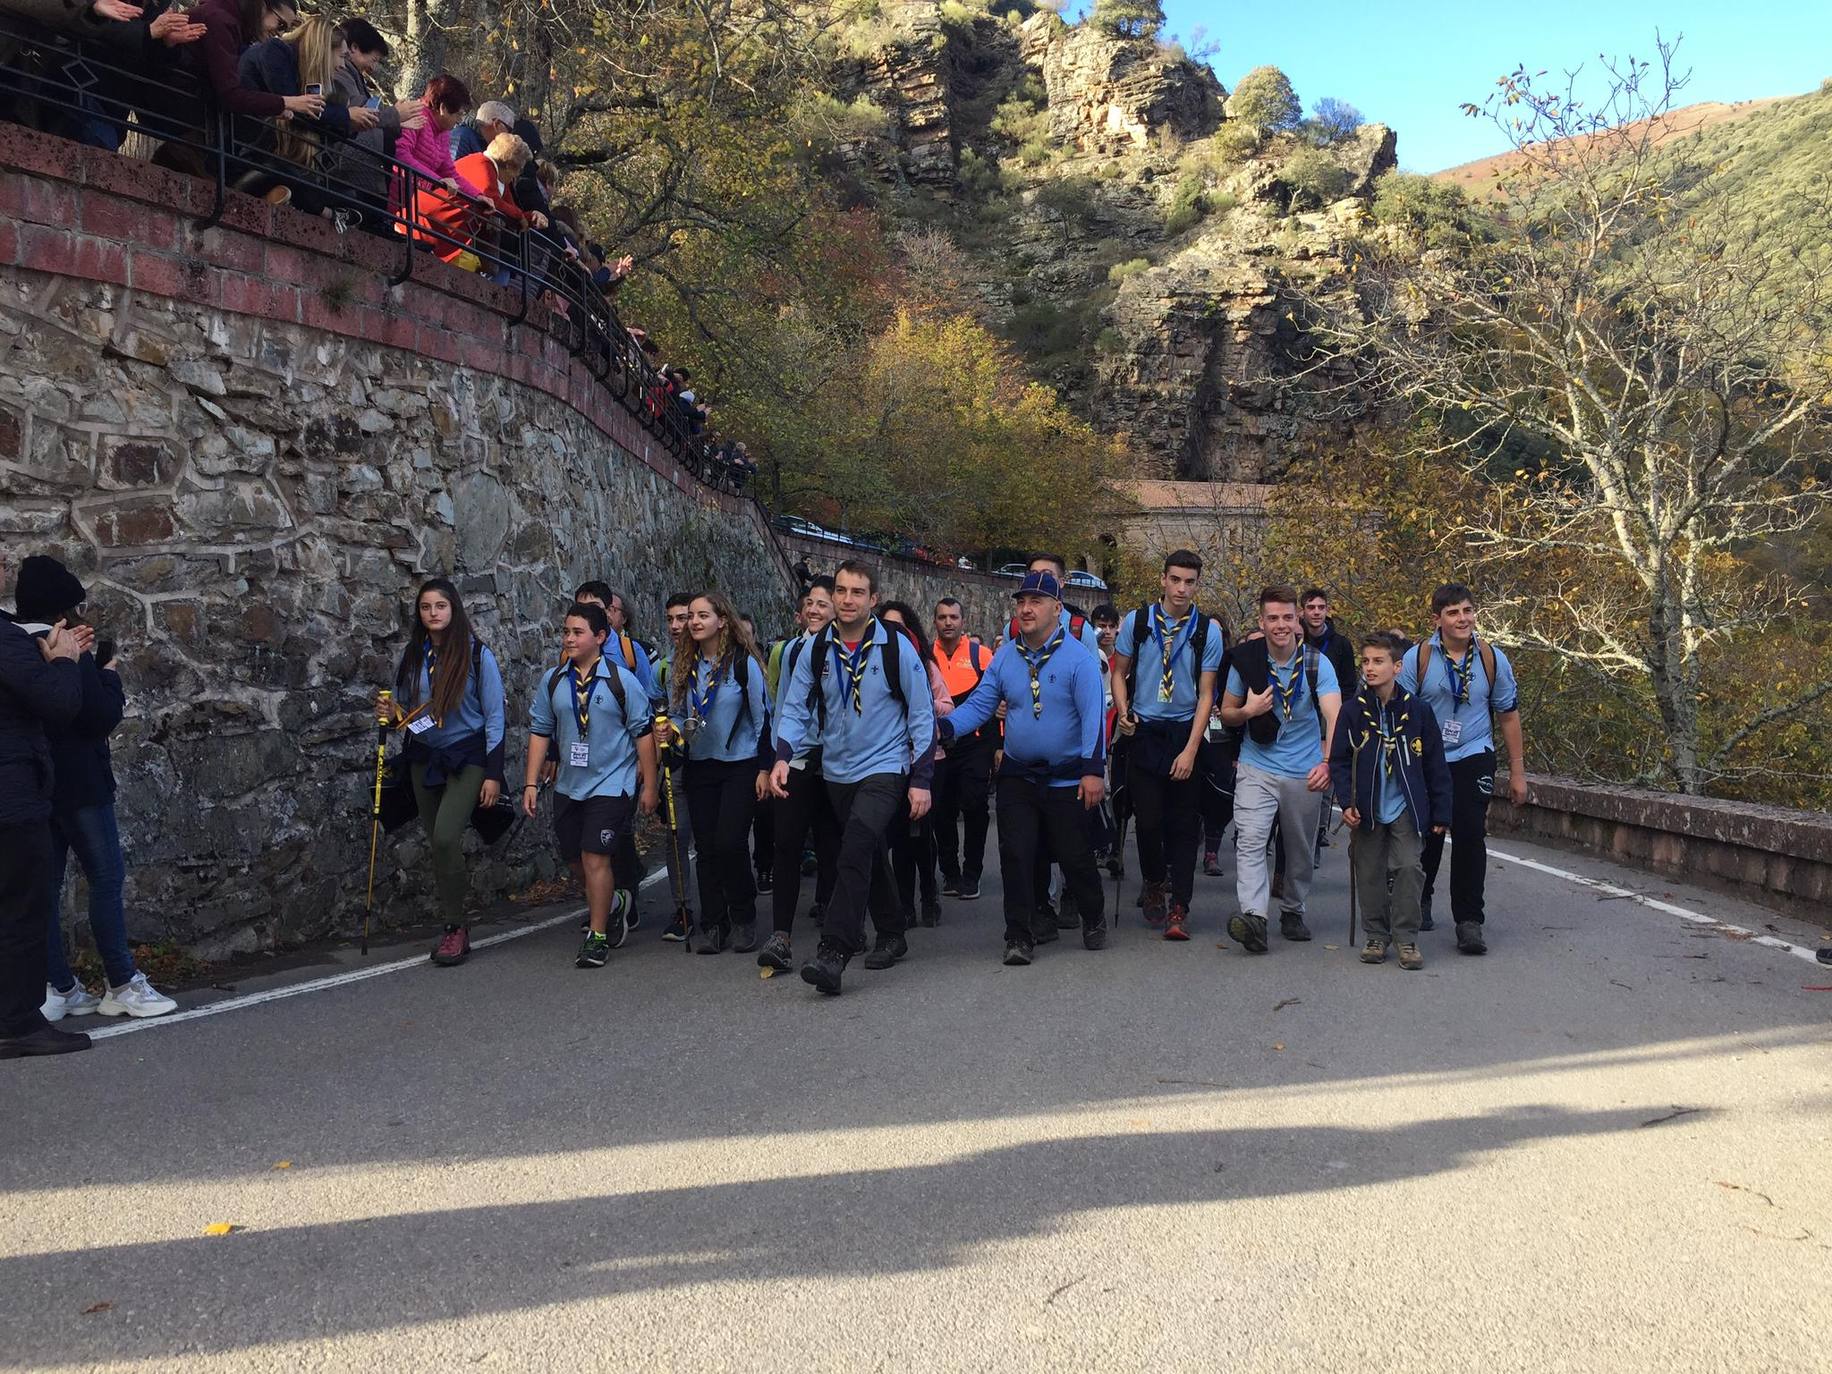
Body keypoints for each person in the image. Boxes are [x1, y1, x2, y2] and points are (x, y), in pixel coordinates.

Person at [15, 558, 177, 1022]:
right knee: (104, 880)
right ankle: (122, 982)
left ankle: (58, 985)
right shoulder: (68, 644)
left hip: (37, 785)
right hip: (82, 783)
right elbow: (97, 715)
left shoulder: (15, 644)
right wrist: (106, 673)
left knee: (46, 887)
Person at [771, 561, 934, 996]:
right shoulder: (818, 647)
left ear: (873, 600)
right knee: (868, 850)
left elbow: (921, 715)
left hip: (885, 766)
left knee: (857, 841)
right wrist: (783, 755)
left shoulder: (897, 647)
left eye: (856, 592)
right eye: (840, 591)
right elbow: (794, 706)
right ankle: (893, 931)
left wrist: (921, 777)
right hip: (837, 769)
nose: (846, 600)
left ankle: (834, 952)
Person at [938, 573, 1107, 965]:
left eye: (1037, 601)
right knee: (1015, 852)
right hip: (1018, 774)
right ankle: (1019, 934)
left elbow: (1093, 718)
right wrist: (944, 728)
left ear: (1057, 609)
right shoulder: (1005, 658)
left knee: (1074, 855)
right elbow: (980, 706)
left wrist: (1093, 770)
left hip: (1067, 776)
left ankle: (1093, 914)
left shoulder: (1079, 660)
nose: (1026, 609)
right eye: (1021, 602)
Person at [376, 578, 506, 967]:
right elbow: (402, 708)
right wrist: (389, 714)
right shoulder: (412, 656)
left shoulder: (477, 656)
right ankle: (456, 921)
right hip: (423, 757)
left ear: (454, 610)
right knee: (436, 841)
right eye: (425, 607)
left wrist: (493, 774)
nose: (433, 613)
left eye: (440, 606)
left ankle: (455, 927)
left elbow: (495, 717)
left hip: (466, 756)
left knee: (448, 836)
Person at [523, 602, 657, 967]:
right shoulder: (554, 680)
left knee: (595, 857)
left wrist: (650, 786)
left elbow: (643, 735)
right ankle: (614, 901)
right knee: (575, 860)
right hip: (569, 784)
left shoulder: (620, 680)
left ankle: (597, 936)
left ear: (600, 637)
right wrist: (530, 783)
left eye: (577, 632)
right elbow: (539, 730)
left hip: (613, 783)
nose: (569, 638)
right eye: (566, 631)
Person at [1398, 583, 1526, 954]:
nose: (1462, 619)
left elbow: (1508, 714)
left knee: (1471, 835)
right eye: (1453, 612)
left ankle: (1470, 921)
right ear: (1437, 619)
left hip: (1474, 753)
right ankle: (1419, 899)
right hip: (1428, 757)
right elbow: (1401, 714)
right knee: (1429, 834)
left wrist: (1518, 773)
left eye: (1467, 611)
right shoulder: (1416, 658)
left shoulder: (1492, 659)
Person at [1109, 549, 1226, 941]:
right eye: (1175, 579)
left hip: (1183, 731)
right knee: (1147, 819)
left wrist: (1192, 749)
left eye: (1189, 581)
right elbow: (1119, 672)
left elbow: (1207, 695)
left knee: (1183, 824)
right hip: (1144, 730)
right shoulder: (1138, 622)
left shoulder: (1207, 630)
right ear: (1163, 579)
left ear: (1197, 584)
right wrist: (1124, 711)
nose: (1181, 588)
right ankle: (1154, 881)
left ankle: (1181, 906)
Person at [1219, 585, 1342, 955]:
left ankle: (1293, 908)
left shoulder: (1317, 664)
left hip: (1304, 771)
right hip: (1257, 765)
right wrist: (1249, 711)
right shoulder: (1245, 660)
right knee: (1252, 840)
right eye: (1272, 618)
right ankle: (1255, 918)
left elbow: (1334, 714)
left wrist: (1329, 763)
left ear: (1298, 620)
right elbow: (1226, 713)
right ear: (1262, 621)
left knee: (1300, 848)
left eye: (1287, 617)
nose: (1280, 625)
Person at [1, 554, 90, 1060]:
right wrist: (64, 662)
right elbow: (59, 704)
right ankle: (17, 1022)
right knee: (22, 910)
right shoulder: (8, 640)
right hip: (12, 798)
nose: (4, 565)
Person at [1330, 633, 1452, 970]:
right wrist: (1347, 802)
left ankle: (1407, 937)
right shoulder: (1353, 711)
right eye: (1365, 661)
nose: (1369, 668)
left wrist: (1441, 810)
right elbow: (1340, 761)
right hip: (1368, 805)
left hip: (1405, 805)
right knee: (1368, 870)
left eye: (1378, 661)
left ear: (1397, 667)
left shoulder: (1419, 711)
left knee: (1409, 867)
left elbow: (1435, 763)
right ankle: (1375, 934)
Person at [671, 592, 770, 953]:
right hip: (700, 765)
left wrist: (763, 767)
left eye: (702, 615)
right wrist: (674, 730)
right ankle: (714, 922)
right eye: (691, 617)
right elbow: (681, 713)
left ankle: (744, 915)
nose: (694, 622)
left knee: (730, 842)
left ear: (722, 621)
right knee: (707, 847)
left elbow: (763, 720)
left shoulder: (744, 665)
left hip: (740, 766)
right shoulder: (685, 664)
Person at [755, 577, 839, 973]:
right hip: (798, 759)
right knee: (786, 843)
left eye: (824, 604)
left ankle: (834, 917)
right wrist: (776, 757)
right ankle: (781, 934)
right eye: (811, 604)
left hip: (839, 761)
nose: (816, 610)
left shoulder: (847, 651)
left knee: (832, 843)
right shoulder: (789, 652)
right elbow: (782, 704)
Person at [879, 600, 950, 929]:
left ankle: (929, 892)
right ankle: (903, 903)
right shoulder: (874, 663)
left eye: (900, 628)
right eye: (887, 627)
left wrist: (920, 698)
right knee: (898, 836)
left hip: (926, 759)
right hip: (890, 762)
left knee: (921, 834)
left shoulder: (926, 665)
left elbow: (947, 705)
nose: (895, 634)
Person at [325, 19, 424, 229]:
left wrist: (396, 120)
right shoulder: (341, 74)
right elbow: (358, 111)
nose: (374, 66)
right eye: (374, 59)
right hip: (350, 165)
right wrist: (396, 115)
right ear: (354, 48)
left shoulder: (354, 76)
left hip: (361, 166)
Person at [931, 596, 994, 901]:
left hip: (976, 743)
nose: (948, 622)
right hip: (939, 743)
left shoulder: (982, 656)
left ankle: (972, 874)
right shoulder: (925, 657)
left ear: (963, 621)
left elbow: (998, 703)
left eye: (953, 617)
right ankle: (950, 873)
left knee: (975, 806)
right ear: (935, 621)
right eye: (942, 617)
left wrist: (999, 745)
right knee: (941, 810)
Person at [1301, 587, 1357, 858]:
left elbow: (1349, 685)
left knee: (1325, 772)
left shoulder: (1341, 645)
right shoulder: (1294, 638)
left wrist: (1339, 717)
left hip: (1329, 714)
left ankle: (1319, 829)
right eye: (1311, 607)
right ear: (1302, 611)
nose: (1316, 612)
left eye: (1321, 607)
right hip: (1299, 712)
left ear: (1327, 610)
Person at [653, 592, 696, 941]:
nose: (676, 626)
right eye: (671, 619)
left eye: (682, 617)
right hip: (678, 764)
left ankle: (724, 902)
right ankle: (682, 909)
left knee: (717, 839)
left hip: (716, 762)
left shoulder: (720, 661)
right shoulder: (663, 667)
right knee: (676, 834)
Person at [450, 98, 515, 162]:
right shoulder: (461, 138)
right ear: (497, 124)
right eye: (509, 130)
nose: (509, 135)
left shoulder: (483, 144)